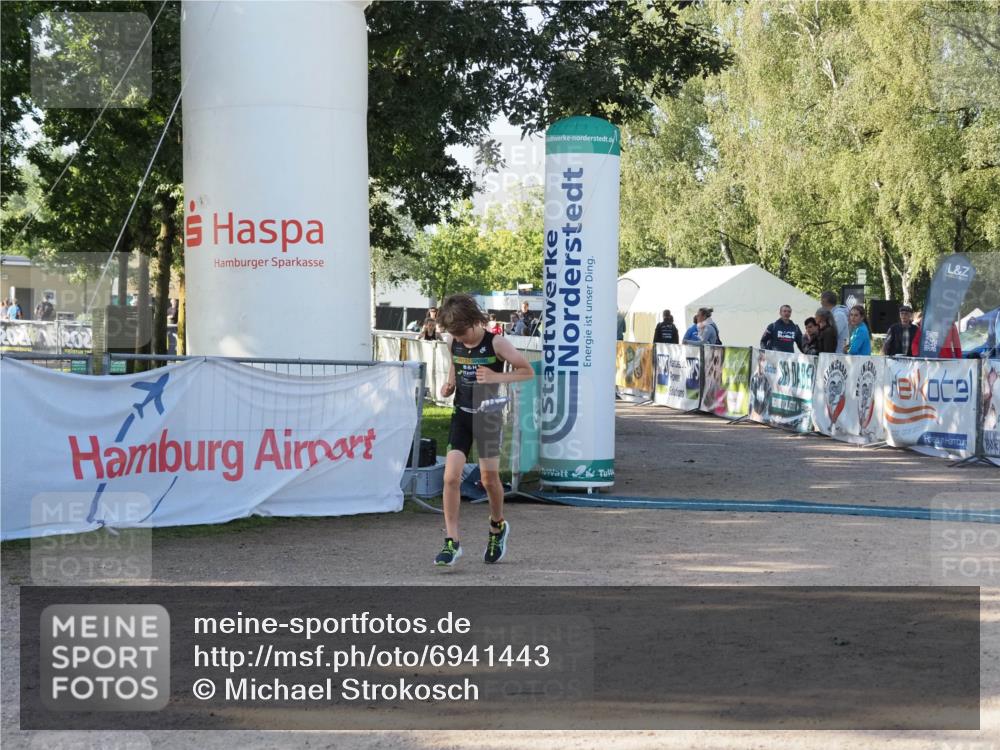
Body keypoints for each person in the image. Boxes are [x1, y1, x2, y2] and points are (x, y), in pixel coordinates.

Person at [435, 294, 534, 567]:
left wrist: (496, 377)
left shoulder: (497, 343)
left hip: (488, 418)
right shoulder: (453, 340)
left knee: (490, 480)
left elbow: (527, 372)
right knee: (450, 477)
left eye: (464, 333)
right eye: (456, 334)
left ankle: (497, 526)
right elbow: (455, 366)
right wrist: (449, 384)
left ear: (474, 321)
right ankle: (452, 542)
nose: (462, 339)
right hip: (462, 416)